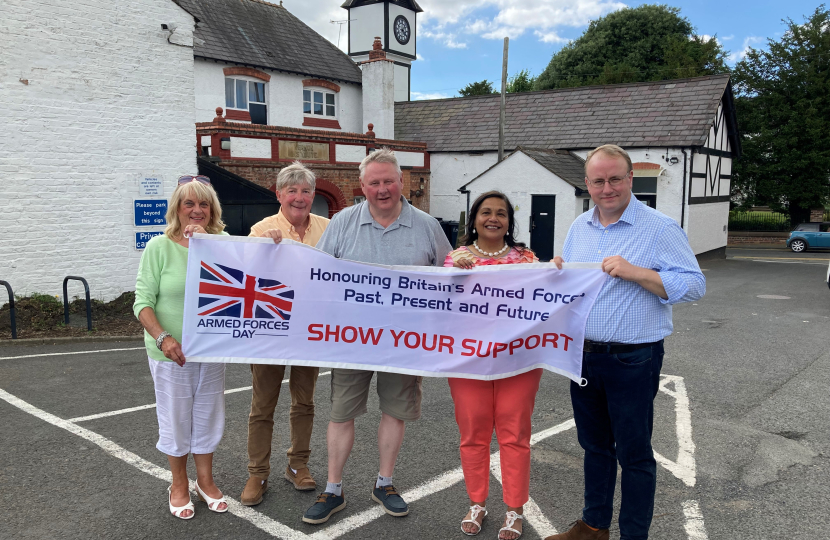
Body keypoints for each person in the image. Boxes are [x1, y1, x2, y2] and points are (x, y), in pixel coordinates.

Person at [547, 145, 705, 540]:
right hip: (583, 356)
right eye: (598, 181)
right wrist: (556, 274)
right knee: (595, 447)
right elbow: (574, 286)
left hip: (633, 359)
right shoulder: (578, 227)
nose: (607, 188)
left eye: (615, 178)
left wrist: (637, 273)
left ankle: (634, 535)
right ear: (587, 184)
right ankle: (593, 525)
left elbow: (695, 285)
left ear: (631, 179)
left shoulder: (660, 227)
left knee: (635, 455)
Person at [300, 148, 453, 525]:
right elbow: (315, 273)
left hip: (404, 342)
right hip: (350, 339)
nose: (382, 189)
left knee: (394, 411)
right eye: (374, 183)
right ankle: (333, 489)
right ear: (361, 186)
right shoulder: (343, 222)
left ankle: (385, 483)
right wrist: (273, 252)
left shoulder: (427, 226)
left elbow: (453, 277)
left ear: (403, 182)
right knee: (341, 414)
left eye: (389, 181)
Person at [134, 175, 230, 520]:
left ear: (212, 209)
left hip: (211, 349)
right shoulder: (158, 247)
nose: (197, 209)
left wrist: (210, 246)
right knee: (176, 418)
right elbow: (142, 302)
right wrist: (163, 337)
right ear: (177, 208)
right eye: (189, 203)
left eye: (204, 203)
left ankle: (205, 481)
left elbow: (247, 275)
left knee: (207, 416)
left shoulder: (223, 243)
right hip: (170, 353)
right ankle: (178, 483)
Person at [445, 191, 539, 540]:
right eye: (486, 212)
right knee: (473, 434)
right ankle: (477, 502)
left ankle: (514, 510)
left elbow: (547, 295)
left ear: (509, 222)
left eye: (501, 213)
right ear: (474, 219)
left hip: (519, 361)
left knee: (515, 435)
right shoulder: (454, 257)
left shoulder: (527, 258)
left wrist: (556, 271)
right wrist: (455, 271)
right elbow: (440, 304)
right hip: (468, 361)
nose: (493, 218)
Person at [241, 162, 330, 506]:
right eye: (291, 190)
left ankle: (298, 465)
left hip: (310, 331)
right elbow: (242, 273)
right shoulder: (262, 228)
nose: (299, 197)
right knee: (262, 405)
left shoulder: (328, 228)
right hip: (270, 330)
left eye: (306, 191)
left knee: (304, 402)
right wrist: (259, 248)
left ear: (312, 195)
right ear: (279, 195)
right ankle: (257, 473)